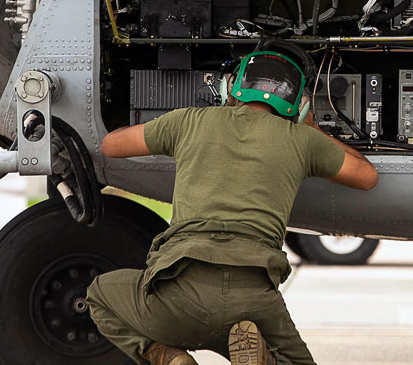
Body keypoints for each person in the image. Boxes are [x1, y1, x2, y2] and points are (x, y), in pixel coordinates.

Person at [85, 41, 378, 365]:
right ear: (299, 105)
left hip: (178, 294)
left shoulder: (188, 121)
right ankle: (263, 359)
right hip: (255, 298)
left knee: (99, 294)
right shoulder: (302, 140)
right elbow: (366, 176)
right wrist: (313, 130)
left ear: (230, 89)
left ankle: (165, 355)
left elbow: (111, 145)